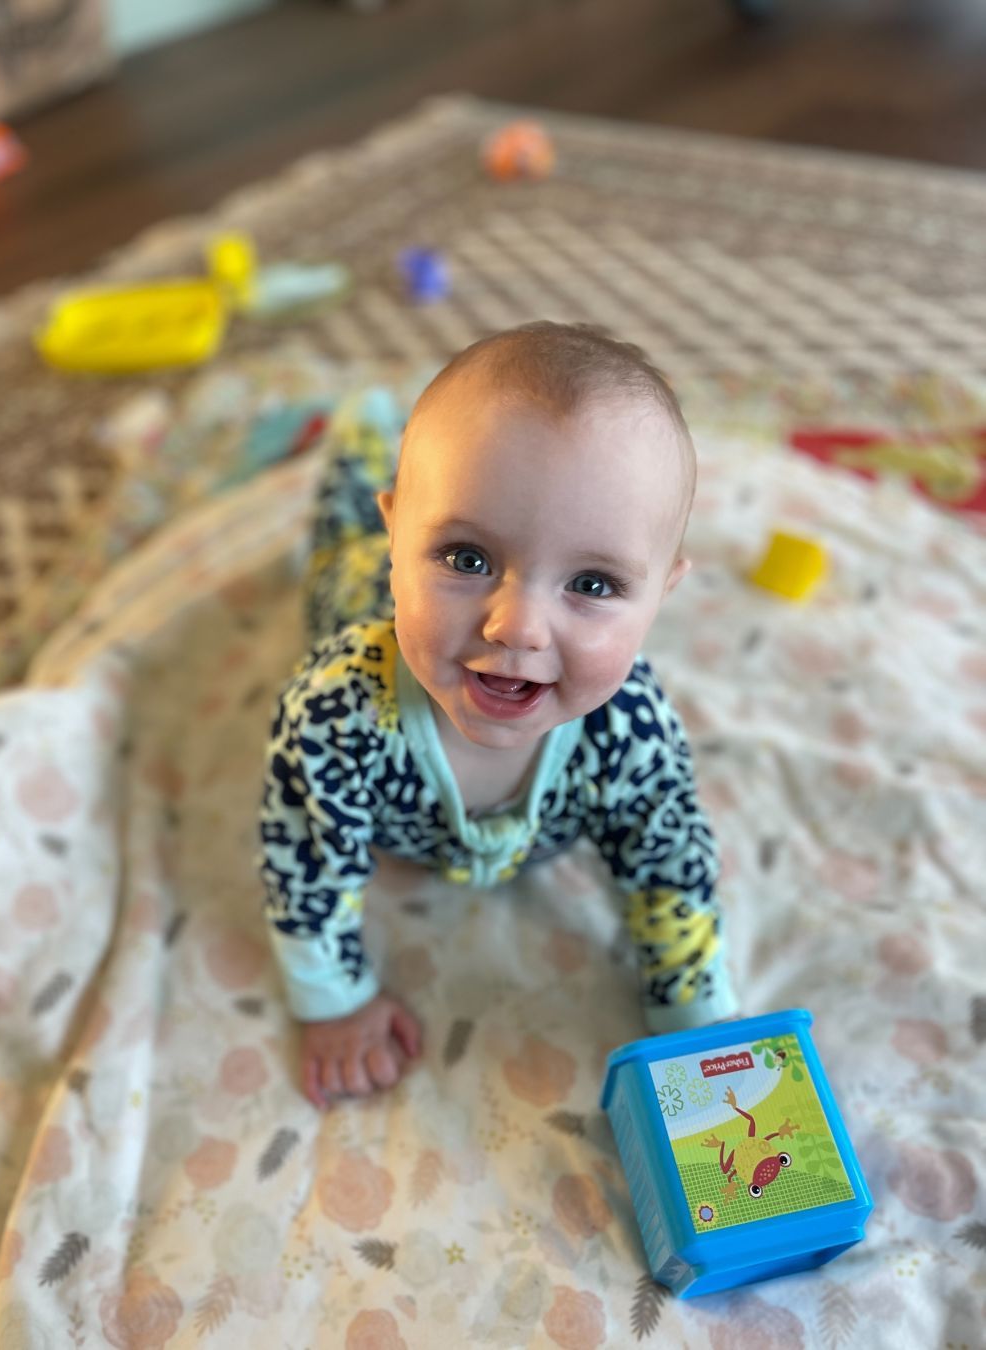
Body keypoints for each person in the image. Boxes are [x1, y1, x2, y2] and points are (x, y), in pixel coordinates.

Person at [258, 321, 738, 1110]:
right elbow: (302, 861)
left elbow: (667, 860)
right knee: (331, 551)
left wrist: (693, 1019)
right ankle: (359, 434)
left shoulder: (629, 731)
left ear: (662, 594)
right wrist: (336, 1001)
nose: (516, 627)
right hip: (358, 598)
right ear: (399, 533)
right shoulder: (336, 713)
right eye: (465, 558)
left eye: (591, 584)